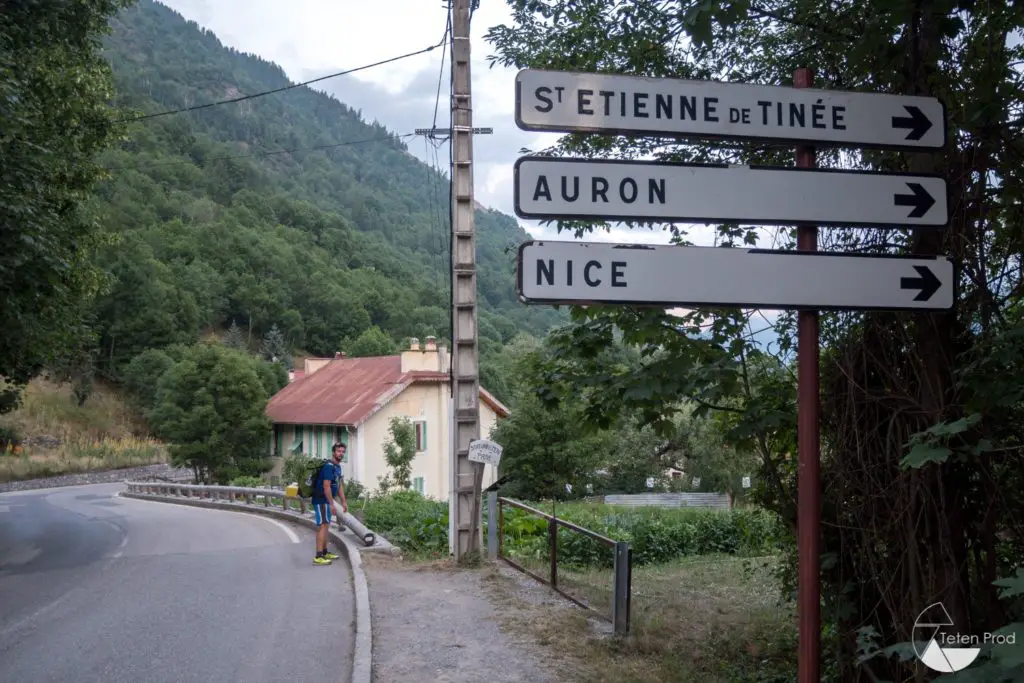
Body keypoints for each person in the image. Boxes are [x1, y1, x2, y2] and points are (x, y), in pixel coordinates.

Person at [311, 442, 348, 565]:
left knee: (326, 526)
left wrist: (343, 501)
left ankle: (325, 552)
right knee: (322, 526)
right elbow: (326, 486)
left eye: (343, 452)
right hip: (321, 500)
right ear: (333, 452)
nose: (341, 454)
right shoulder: (328, 467)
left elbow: (338, 485)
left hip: (326, 501)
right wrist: (332, 504)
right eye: (339, 451)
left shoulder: (337, 467)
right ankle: (318, 556)